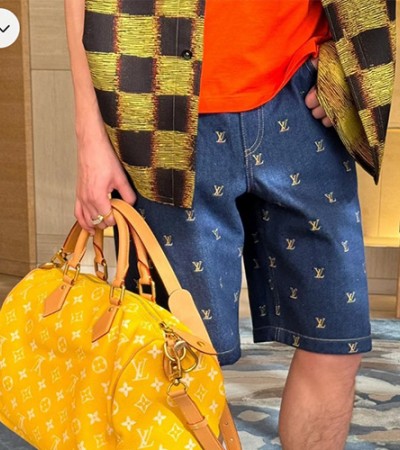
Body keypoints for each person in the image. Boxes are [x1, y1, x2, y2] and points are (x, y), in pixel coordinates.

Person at [64, 1, 395, 448]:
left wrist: (346, 59)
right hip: (160, 105)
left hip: (301, 93)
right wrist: (90, 137)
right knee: (181, 358)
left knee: (336, 343)